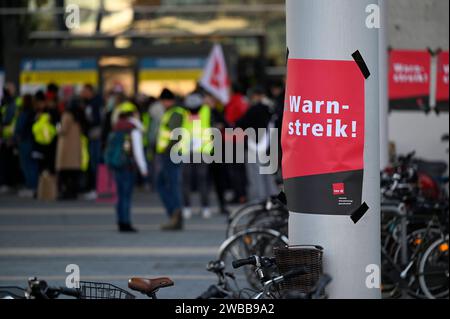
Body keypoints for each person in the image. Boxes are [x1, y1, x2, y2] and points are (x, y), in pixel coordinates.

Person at [104, 101, 148, 232]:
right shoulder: (133, 129)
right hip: (128, 166)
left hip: (117, 164)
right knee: (126, 195)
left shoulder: (116, 127)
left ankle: (120, 220)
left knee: (120, 194)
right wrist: (143, 169)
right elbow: (138, 151)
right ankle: (126, 222)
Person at [235, 86, 278, 201]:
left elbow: (240, 123)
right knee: (268, 176)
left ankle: (259, 202)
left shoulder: (254, 109)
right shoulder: (272, 109)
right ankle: (273, 200)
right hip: (269, 146)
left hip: (254, 146)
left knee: (255, 176)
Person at [156, 88, 186, 231]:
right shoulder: (172, 112)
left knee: (170, 184)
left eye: (164, 100)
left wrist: (168, 148)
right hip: (170, 153)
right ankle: (175, 214)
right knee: (166, 183)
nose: (162, 103)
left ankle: (175, 214)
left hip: (172, 153)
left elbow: (175, 134)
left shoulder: (175, 113)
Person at [181, 93, 213, 219]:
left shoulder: (205, 110)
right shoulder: (204, 110)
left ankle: (199, 207)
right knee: (194, 181)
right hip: (190, 151)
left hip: (200, 151)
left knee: (197, 181)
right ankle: (192, 207)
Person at [55, 97, 87, 200]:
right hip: (76, 146)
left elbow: (63, 130)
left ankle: (65, 193)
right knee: (74, 173)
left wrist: (57, 128)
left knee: (64, 173)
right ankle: (74, 192)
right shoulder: (80, 115)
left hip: (66, 146)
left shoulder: (67, 115)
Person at [81, 84, 104, 200]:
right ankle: (95, 188)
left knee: (95, 162)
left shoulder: (96, 103)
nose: (82, 93)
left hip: (95, 135)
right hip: (92, 134)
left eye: (84, 91)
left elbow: (97, 119)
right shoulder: (89, 103)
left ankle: (96, 189)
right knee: (93, 162)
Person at [14, 94, 39, 197]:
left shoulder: (24, 113)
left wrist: (15, 138)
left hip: (25, 141)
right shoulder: (34, 112)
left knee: (26, 165)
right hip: (32, 141)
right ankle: (34, 186)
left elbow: (19, 127)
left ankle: (31, 186)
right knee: (32, 164)